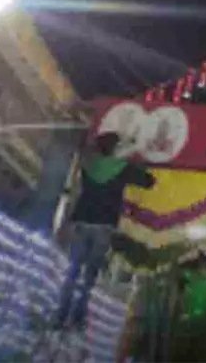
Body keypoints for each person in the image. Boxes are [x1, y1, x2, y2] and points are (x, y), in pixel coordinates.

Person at [52, 130, 156, 331]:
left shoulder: (90, 164)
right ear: (115, 149)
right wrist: (137, 160)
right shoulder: (123, 168)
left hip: (81, 221)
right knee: (90, 275)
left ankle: (59, 316)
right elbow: (149, 182)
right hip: (104, 225)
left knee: (73, 270)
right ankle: (77, 318)